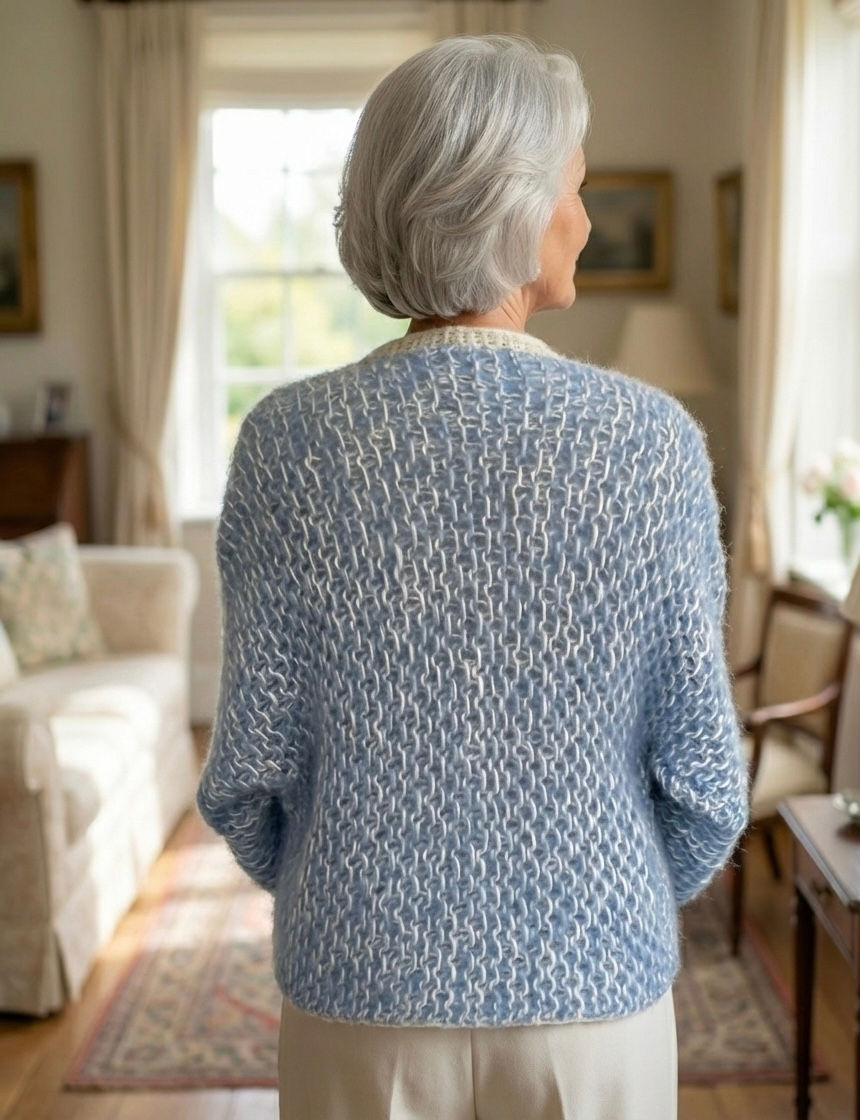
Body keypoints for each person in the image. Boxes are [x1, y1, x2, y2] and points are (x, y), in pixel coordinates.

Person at [197, 34, 748, 1120]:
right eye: (574, 189)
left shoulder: (286, 445)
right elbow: (701, 781)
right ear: (510, 202)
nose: (583, 221)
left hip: (356, 999)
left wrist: (354, 894)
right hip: (594, 1011)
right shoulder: (650, 447)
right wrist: (598, 901)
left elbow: (246, 779)